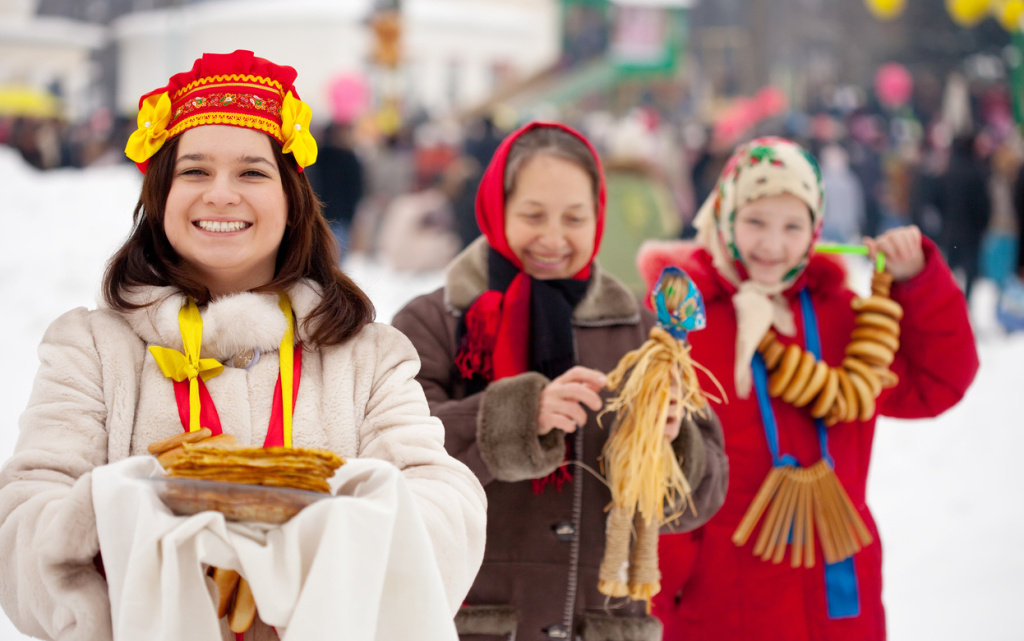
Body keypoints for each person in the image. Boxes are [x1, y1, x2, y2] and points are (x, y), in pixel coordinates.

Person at [0, 50, 486, 641]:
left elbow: (445, 505)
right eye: (194, 171)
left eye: (252, 173)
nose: (221, 195)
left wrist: (327, 550)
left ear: (291, 199)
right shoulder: (90, 349)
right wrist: (129, 530)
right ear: (160, 194)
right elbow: (22, 519)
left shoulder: (370, 356)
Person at [391, 121, 728, 641]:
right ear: (496, 209)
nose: (553, 238)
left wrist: (669, 442)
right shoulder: (436, 321)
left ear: (598, 217)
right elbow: (394, 462)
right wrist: (518, 417)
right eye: (533, 215)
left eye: (574, 218)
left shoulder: (641, 332)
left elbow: (702, 497)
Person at [637, 136, 979, 641]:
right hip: (721, 599)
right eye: (755, 221)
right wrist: (657, 600)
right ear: (725, 216)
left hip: (835, 593)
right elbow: (650, 471)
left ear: (816, 231)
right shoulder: (682, 323)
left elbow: (937, 383)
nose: (773, 245)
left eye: (792, 226)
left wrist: (918, 281)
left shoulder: (842, 316)